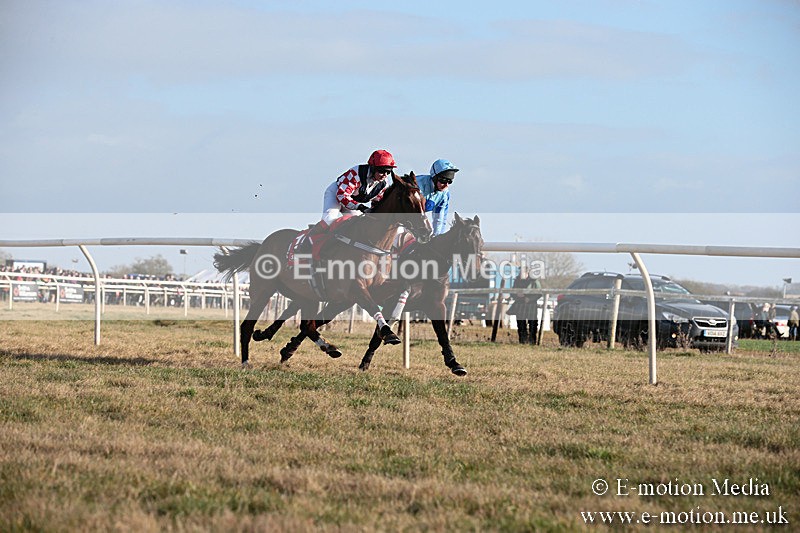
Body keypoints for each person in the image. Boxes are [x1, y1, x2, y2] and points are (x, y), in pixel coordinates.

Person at [321, 149, 397, 225]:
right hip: (336, 194)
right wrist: (360, 207)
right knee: (328, 221)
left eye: (388, 172)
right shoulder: (356, 173)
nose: (385, 175)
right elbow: (342, 195)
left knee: (358, 225)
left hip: (352, 202)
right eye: (382, 171)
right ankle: (311, 236)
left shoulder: (383, 185)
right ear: (373, 168)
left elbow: (377, 202)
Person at [417, 159, 458, 236]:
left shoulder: (444, 194)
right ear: (434, 177)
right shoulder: (418, 185)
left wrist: (437, 237)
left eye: (449, 181)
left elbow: (440, 219)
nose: (446, 185)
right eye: (443, 181)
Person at [507, 267, 542, 345]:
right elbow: (512, 292)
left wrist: (530, 299)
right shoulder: (517, 281)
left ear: (527, 273)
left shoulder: (534, 281)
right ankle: (522, 341)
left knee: (532, 324)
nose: (520, 274)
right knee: (520, 323)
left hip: (531, 306)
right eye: (520, 272)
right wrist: (517, 295)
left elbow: (539, 293)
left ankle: (532, 342)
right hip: (520, 305)